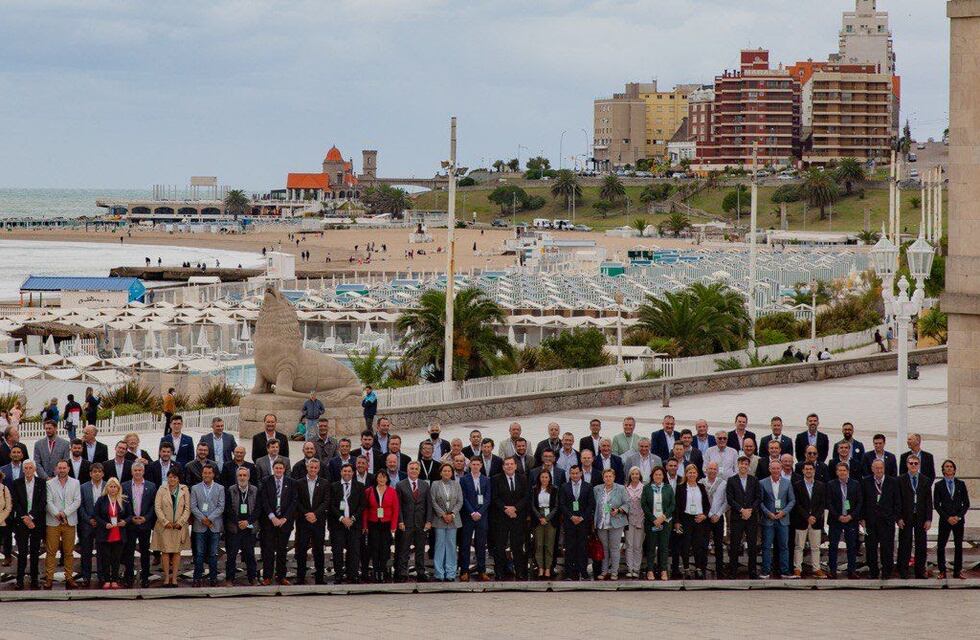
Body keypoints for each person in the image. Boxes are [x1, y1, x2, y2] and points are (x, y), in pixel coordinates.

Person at [861, 458, 900, 579]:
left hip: (887, 521)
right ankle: (873, 572)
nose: (878, 470)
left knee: (887, 548)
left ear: (884, 469)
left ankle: (886, 572)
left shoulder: (892, 482)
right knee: (871, 547)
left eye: (881, 468)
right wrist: (862, 518)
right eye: (876, 468)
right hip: (870, 522)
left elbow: (897, 501)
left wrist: (894, 517)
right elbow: (862, 501)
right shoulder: (865, 482)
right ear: (872, 469)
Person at [258, 459, 296, 585]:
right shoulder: (266, 481)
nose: (279, 470)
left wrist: (284, 518)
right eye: (276, 468)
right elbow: (264, 500)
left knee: (282, 550)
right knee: (268, 550)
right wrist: (272, 517)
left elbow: (293, 502)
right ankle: (267, 576)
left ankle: (281, 576)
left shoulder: (291, 482)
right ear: (273, 469)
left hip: (284, 522)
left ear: (284, 469)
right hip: (270, 522)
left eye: (281, 468)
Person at [491, 457, 529, 580]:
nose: (509, 466)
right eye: (506, 464)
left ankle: (520, 572)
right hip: (501, 517)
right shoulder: (496, 479)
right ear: (503, 467)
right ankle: (500, 572)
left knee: (517, 546)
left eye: (511, 464)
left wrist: (515, 509)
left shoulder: (523, 478)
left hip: (517, 517)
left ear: (516, 466)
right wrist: (505, 509)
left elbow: (526, 496)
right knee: (500, 545)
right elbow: (495, 497)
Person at [152, 468, 190, 587]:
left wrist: (181, 521)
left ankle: (174, 578)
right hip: (165, 526)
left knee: (177, 551)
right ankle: (166, 578)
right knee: (165, 551)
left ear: (179, 479)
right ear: (167, 478)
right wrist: (165, 521)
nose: (172, 479)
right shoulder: (162, 489)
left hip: (179, 526)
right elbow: (157, 507)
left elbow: (187, 508)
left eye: (175, 477)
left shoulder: (184, 489)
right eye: (170, 477)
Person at [896, 454, 932, 579]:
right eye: (911, 463)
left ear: (919, 465)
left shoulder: (925, 480)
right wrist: (899, 518)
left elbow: (928, 501)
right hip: (906, 516)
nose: (913, 465)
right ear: (907, 464)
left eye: (915, 463)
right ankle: (903, 570)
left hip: (920, 516)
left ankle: (920, 571)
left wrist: (928, 519)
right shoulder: (900, 480)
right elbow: (898, 500)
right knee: (905, 542)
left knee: (921, 544)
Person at [726, 455, 761, 579]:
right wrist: (741, 510)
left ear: (749, 466)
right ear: (738, 465)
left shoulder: (754, 480)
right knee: (735, 545)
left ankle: (752, 571)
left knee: (752, 545)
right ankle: (733, 571)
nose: (743, 466)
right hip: (737, 516)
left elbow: (758, 498)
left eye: (746, 464)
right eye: (741, 464)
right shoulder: (731, 480)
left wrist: (750, 510)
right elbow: (730, 499)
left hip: (751, 517)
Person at [329, 463, 365, 584]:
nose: (347, 473)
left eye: (349, 471)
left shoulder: (360, 486)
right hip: (338, 524)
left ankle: (353, 574)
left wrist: (352, 519)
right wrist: (341, 518)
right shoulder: (334, 486)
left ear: (353, 473)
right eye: (345, 471)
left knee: (354, 550)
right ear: (341, 472)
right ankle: (338, 575)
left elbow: (362, 505)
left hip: (354, 525)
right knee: (337, 551)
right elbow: (331, 505)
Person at [122, 462, 156, 588]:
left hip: (144, 524)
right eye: (135, 470)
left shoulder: (151, 486)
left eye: (139, 470)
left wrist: (145, 518)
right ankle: (128, 577)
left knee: (145, 552)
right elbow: (123, 505)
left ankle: (145, 576)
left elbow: (153, 505)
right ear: (132, 472)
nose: (137, 472)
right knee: (129, 552)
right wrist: (131, 518)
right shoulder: (124, 486)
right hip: (130, 524)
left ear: (143, 472)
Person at [759, 460, 795, 579]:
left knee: (784, 546)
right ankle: (765, 571)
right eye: (773, 468)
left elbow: (792, 500)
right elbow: (760, 501)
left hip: (783, 520)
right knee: (766, 546)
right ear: (770, 469)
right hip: (768, 519)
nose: (775, 471)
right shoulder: (762, 483)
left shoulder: (787, 483)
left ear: (781, 469)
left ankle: (785, 571)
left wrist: (783, 512)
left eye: (777, 468)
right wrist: (768, 513)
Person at [13, 460, 46, 589]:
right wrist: (25, 518)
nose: (28, 470)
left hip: (36, 522)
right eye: (25, 468)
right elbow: (15, 502)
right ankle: (19, 580)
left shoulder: (41, 483)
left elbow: (42, 502)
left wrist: (31, 517)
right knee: (21, 552)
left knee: (34, 551)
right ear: (23, 470)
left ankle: (34, 580)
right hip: (21, 523)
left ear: (35, 469)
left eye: (30, 468)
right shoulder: (17, 483)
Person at [934, 459, 970, 579]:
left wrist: (958, 516)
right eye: (946, 466)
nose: (948, 468)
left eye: (951, 466)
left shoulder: (961, 484)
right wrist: (947, 517)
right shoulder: (938, 485)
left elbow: (966, 503)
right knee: (941, 546)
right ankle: (942, 571)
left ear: (954, 469)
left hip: (958, 520)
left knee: (959, 546)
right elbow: (936, 505)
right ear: (943, 470)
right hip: (945, 520)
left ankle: (957, 571)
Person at [791, 461, 827, 578]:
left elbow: (822, 504)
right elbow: (797, 504)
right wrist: (807, 517)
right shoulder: (797, 485)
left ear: (814, 471)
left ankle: (816, 568)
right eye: (806, 469)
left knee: (815, 547)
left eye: (810, 469)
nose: (808, 471)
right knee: (799, 546)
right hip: (801, 520)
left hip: (816, 521)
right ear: (802, 471)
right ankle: (797, 568)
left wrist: (815, 517)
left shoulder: (821, 485)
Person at [189, 463, 223, 587]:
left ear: (213, 474)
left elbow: (221, 506)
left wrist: (210, 519)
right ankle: (197, 578)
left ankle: (213, 578)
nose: (207, 475)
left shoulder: (220, 488)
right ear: (202, 474)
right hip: (200, 525)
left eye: (209, 473)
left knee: (213, 554)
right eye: (205, 473)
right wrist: (203, 519)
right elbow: (193, 506)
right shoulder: (195, 488)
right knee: (199, 553)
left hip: (214, 526)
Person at [224, 466, 258, 586]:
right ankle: (229, 579)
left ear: (248, 477)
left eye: (244, 475)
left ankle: (253, 578)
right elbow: (227, 509)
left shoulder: (255, 490)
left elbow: (258, 509)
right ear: (236, 477)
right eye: (240, 475)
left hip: (249, 528)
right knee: (231, 555)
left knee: (249, 554)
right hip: (234, 527)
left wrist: (247, 522)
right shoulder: (230, 489)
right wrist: (238, 522)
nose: (242, 477)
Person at [827, 461, 862, 579]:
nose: (842, 472)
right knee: (833, 546)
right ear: (836, 472)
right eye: (840, 470)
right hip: (835, 520)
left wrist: (851, 516)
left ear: (848, 472)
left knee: (852, 546)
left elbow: (859, 502)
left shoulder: (855, 484)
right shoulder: (831, 484)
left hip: (851, 520)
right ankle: (832, 570)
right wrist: (838, 516)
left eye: (844, 470)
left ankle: (851, 571)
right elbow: (829, 503)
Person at [95, 478, 132, 589]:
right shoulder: (101, 500)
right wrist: (104, 524)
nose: (113, 489)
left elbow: (130, 515)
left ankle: (115, 580)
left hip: (119, 533)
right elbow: (96, 515)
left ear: (118, 488)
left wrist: (125, 521)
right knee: (105, 558)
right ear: (107, 488)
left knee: (116, 558)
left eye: (115, 486)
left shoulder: (124, 500)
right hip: (105, 533)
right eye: (110, 486)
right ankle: (107, 580)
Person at [559, 465, 594, 581]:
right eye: (572, 473)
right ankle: (569, 573)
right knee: (569, 547)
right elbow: (562, 504)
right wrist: (571, 516)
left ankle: (583, 572)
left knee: (582, 547)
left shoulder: (588, 486)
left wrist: (582, 517)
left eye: (576, 473)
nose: (574, 475)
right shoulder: (564, 486)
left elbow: (591, 505)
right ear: (569, 474)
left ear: (581, 474)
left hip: (583, 523)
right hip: (570, 522)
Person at [673, 464, 709, 579]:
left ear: (697, 474)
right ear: (686, 474)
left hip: (699, 519)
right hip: (686, 519)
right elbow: (677, 506)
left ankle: (698, 568)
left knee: (698, 545)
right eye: (690, 472)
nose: (692, 474)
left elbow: (707, 505)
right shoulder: (681, 487)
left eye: (694, 472)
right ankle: (687, 568)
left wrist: (704, 515)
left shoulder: (701, 487)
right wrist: (677, 521)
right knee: (685, 545)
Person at [458, 457, 490, 581]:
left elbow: (487, 498)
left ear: (481, 465)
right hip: (468, 515)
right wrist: (472, 512)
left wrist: (480, 512)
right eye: (473, 464)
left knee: (481, 544)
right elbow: (463, 498)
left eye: (478, 464)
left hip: (482, 516)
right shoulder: (464, 479)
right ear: (470, 465)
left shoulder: (486, 480)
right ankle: (464, 570)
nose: (475, 466)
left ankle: (482, 570)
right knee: (465, 544)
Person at [593, 468, 629, 580]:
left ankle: (614, 572)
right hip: (602, 523)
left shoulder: (621, 488)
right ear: (603, 478)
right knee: (604, 548)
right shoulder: (597, 489)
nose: (608, 478)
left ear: (614, 477)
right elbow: (594, 505)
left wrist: (618, 510)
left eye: (610, 476)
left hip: (616, 523)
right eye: (606, 476)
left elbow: (627, 504)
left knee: (614, 548)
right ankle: (604, 572)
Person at [430, 463, 462, 581]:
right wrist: (443, 515)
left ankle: (451, 573)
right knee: (439, 546)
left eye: (449, 471)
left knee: (451, 546)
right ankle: (439, 573)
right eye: (444, 471)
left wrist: (452, 514)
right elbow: (433, 501)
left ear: (452, 473)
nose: (447, 473)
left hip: (453, 520)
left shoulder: (456, 484)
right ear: (440, 472)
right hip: (440, 519)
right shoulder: (435, 484)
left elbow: (460, 501)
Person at [641, 466, 674, 580]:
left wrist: (663, 517)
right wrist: (654, 519)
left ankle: (663, 570)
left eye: (660, 474)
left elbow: (672, 505)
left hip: (665, 522)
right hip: (651, 522)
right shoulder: (647, 488)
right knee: (650, 547)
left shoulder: (668, 488)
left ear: (663, 476)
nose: (658, 476)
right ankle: (650, 570)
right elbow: (644, 505)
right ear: (652, 476)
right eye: (656, 475)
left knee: (663, 547)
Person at [77, 462, 104, 587]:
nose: (97, 474)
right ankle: (86, 577)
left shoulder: (107, 486)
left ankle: (102, 577)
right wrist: (88, 519)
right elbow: (80, 506)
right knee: (86, 552)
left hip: (102, 525)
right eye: (94, 472)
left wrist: (100, 520)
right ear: (90, 474)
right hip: (87, 525)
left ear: (103, 473)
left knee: (102, 552)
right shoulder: (83, 487)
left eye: (99, 471)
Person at [701, 461, 728, 578]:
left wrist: (718, 514)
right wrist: (709, 514)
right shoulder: (700, 483)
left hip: (718, 517)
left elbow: (726, 501)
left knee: (718, 545)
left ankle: (720, 571)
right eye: (710, 468)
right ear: (706, 470)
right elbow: (699, 501)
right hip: (705, 518)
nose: (712, 471)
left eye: (714, 469)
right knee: (703, 545)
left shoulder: (723, 483)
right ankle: (702, 569)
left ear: (717, 471)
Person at [530, 468, 559, 579]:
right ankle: (540, 568)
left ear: (550, 478)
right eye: (542, 477)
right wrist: (540, 517)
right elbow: (532, 505)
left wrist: (547, 518)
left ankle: (548, 568)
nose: (544, 479)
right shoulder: (534, 489)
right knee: (539, 544)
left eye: (546, 477)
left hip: (550, 518)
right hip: (538, 518)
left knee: (549, 545)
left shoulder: (555, 489)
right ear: (539, 478)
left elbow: (556, 506)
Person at [622, 466, 646, 578]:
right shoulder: (625, 488)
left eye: (637, 474)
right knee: (629, 545)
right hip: (629, 520)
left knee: (638, 545)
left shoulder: (644, 488)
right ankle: (629, 568)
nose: (635, 476)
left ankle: (636, 569)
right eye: (633, 474)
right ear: (630, 476)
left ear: (640, 475)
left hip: (641, 520)